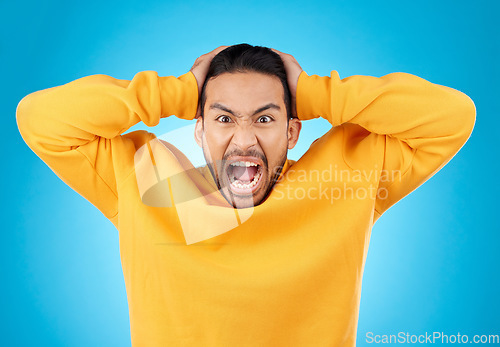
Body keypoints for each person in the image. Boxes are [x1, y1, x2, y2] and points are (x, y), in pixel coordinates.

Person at [16, 43, 475, 346]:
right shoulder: (146, 182)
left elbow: (452, 116)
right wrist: (177, 92)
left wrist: (315, 92)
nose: (243, 140)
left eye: (264, 118)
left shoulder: (345, 179)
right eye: (223, 118)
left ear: (292, 131)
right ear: (198, 131)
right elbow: (40, 119)